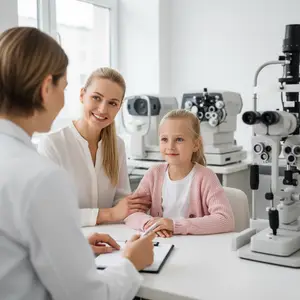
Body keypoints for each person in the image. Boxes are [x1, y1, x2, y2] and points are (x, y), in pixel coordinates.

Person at [0, 26, 155, 300]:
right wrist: (131, 262)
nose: (103, 109)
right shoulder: (41, 177)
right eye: (65, 87)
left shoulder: (14, 159)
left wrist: (72, 246)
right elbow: (88, 296)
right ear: (48, 87)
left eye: (113, 103)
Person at [38, 67, 150, 227]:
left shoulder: (117, 145)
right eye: (97, 98)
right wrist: (109, 214)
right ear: (82, 95)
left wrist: (141, 212)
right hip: (69, 239)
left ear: (119, 107)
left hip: (113, 238)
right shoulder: (53, 144)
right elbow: (48, 212)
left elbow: (121, 199)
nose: (103, 109)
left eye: (112, 103)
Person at [125, 109, 235, 237]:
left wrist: (174, 225)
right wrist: (149, 223)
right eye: (164, 139)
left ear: (196, 144)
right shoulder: (153, 174)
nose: (170, 146)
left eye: (179, 139)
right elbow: (131, 213)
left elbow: (226, 220)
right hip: (162, 245)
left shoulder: (206, 177)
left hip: (195, 247)